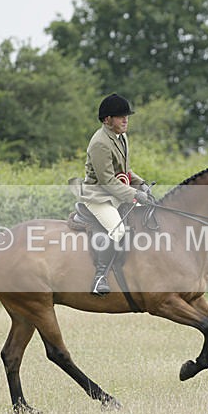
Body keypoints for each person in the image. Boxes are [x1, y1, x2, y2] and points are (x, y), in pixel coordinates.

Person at [80, 93, 155, 296]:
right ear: (107, 120)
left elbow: (125, 171)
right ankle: (100, 278)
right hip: (99, 197)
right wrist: (135, 194)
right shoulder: (100, 143)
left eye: (126, 116)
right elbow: (107, 181)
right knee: (119, 231)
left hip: (116, 192)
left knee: (146, 219)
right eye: (120, 116)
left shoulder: (122, 137)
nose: (125, 119)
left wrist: (142, 184)